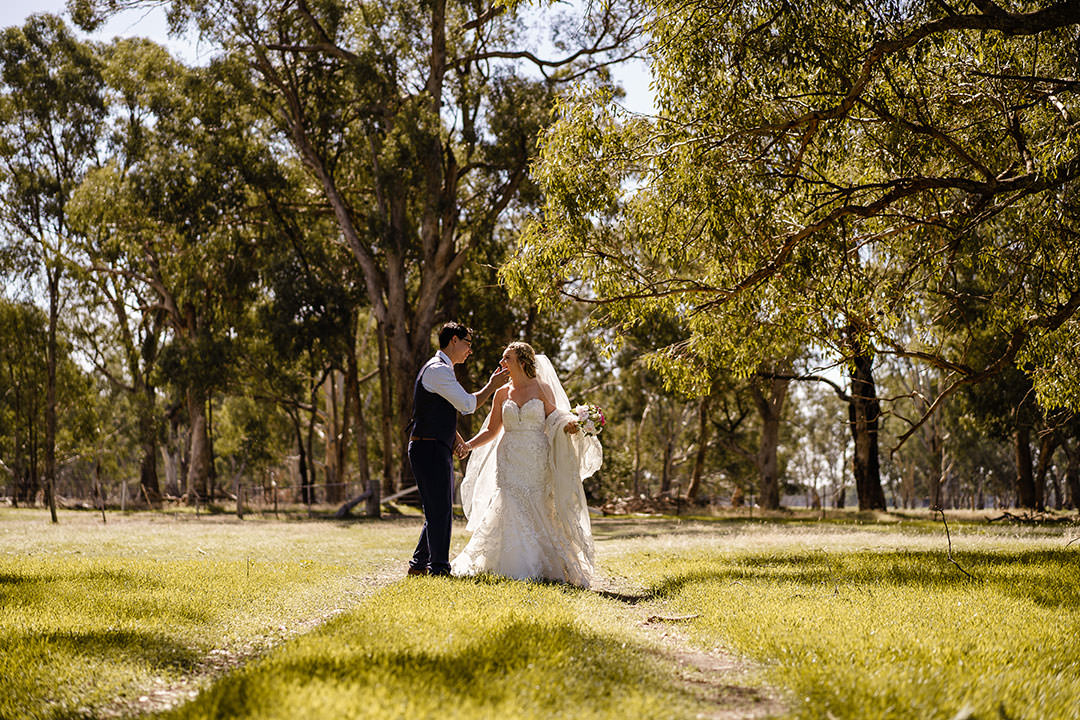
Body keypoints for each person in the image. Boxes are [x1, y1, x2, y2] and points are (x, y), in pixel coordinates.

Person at [451, 342, 602, 587]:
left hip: (535, 458)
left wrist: (572, 425)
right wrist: (468, 446)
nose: (502, 363)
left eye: (506, 358)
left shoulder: (541, 388)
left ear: (522, 362)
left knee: (538, 503)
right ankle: (507, 562)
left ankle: (543, 563)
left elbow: (554, 418)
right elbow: (492, 430)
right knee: (509, 501)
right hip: (509, 457)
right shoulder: (502, 393)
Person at [407, 322, 508, 577]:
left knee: (436, 509)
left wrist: (457, 440)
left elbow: (441, 412)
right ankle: (439, 569)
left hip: (433, 446)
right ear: (454, 340)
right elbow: (466, 405)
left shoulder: (443, 370)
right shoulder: (438, 370)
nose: (470, 350)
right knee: (440, 510)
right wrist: (492, 385)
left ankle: (419, 565)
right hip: (428, 448)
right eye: (468, 344)